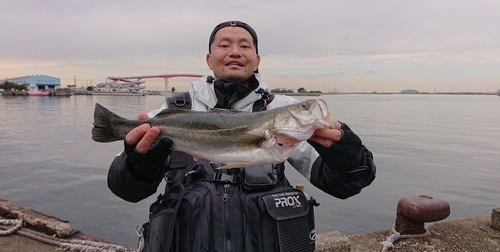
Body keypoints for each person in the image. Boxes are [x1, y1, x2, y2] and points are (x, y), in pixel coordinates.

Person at [107, 20, 376, 252]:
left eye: (245, 46)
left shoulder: (281, 109)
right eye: (224, 45)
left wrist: (349, 157)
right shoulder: (173, 111)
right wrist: (138, 165)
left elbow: (345, 185)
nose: (235, 52)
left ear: (257, 60)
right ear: (209, 59)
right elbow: (123, 189)